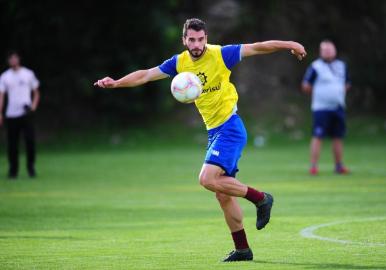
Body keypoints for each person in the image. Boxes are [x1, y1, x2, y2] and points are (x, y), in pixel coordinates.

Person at [95, 18, 306, 262]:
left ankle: (261, 198)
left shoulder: (221, 55)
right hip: (214, 132)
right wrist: (117, 83)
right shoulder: (179, 62)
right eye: (192, 40)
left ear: (206, 38)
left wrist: (290, 43)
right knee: (222, 193)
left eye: (201, 39)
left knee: (207, 179)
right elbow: (145, 75)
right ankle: (242, 249)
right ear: (184, 40)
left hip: (230, 127)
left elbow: (258, 47)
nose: (197, 44)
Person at [301, 40, 351, 175]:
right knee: (317, 136)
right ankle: (313, 166)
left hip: (338, 106)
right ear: (321, 52)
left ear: (335, 51)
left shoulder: (342, 66)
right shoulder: (315, 66)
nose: (328, 52)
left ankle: (339, 166)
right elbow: (306, 85)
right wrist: (322, 95)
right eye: (325, 50)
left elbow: (347, 84)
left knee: (338, 136)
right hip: (321, 108)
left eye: (330, 49)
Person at [0, 51, 40, 179]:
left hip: (26, 113)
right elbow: (1, 96)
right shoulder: (5, 76)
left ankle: (31, 168)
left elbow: (36, 92)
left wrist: (33, 106)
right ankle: (13, 171)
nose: (13, 61)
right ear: (8, 61)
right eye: (11, 59)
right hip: (12, 114)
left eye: (15, 58)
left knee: (30, 142)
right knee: (12, 144)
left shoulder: (28, 73)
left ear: (19, 59)